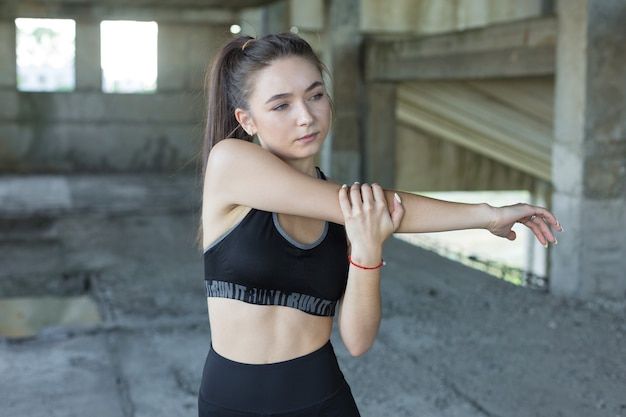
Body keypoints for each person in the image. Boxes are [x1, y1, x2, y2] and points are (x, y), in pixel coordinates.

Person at [197, 32, 562, 417]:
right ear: (247, 120)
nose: (306, 116)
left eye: (315, 95)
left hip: (321, 399)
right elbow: (383, 205)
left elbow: (357, 341)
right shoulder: (230, 162)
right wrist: (487, 215)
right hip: (229, 402)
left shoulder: (352, 215)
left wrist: (368, 251)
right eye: (281, 105)